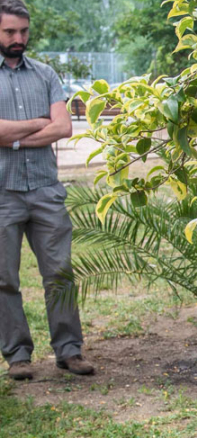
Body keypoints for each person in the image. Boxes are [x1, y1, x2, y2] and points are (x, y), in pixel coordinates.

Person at [0, 0, 93, 380]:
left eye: (23, 31)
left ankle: (69, 351)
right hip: (2, 194)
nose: (18, 38)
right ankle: (18, 356)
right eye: (10, 32)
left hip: (45, 191)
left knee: (60, 273)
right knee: (4, 279)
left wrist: (14, 135)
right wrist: (37, 125)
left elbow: (63, 127)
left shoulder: (46, 74)